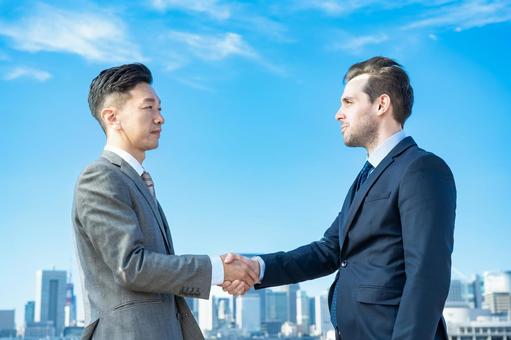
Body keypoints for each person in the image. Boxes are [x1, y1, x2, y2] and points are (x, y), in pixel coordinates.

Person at [223, 56, 456, 340]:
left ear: (381, 104)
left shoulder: (420, 169)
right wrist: (257, 267)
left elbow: (427, 275)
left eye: (348, 103)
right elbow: (328, 251)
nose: (338, 114)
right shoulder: (366, 177)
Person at [72, 63, 258, 340]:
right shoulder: (100, 176)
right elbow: (132, 267)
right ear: (112, 117)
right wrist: (218, 269)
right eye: (149, 108)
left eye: (160, 109)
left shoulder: (138, 182)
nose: (161, 118)